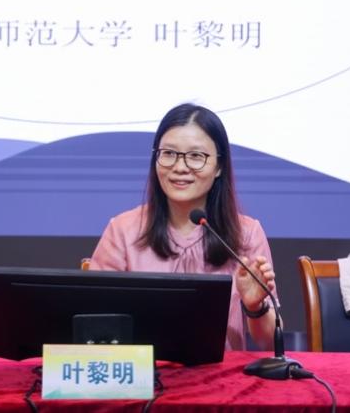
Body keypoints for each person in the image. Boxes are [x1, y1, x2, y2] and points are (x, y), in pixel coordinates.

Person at [89, 103, 277, 351]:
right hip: (142, 372)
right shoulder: (123, 230)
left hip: (221, 373)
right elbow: (93, 323)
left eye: (196, 156)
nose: (179, 167)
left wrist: (255, 307)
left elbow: (269, 342)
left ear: (219, 166)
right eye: (169, 153)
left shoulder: (247, 234)